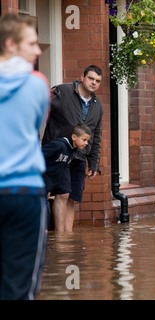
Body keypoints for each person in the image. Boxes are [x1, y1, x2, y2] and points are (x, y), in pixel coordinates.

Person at [0, 13, 50, 300]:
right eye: (31, 43)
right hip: (23, 191)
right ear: (10, 44)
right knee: (20, 286)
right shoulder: (37, 84)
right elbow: (35, 128)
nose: (38, 50)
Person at [42, 65, 103, 232]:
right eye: (91, 78)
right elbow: (40, 109)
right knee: (62, 193)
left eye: (97, 81)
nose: (94, 83)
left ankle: (67, 236)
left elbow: (96, 136)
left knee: (72, 197)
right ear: (82, 76)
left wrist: (94, 163)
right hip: (59, 153)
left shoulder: (97, 105)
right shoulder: (62, 92)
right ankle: (59, 237)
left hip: (80, 156)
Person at [42, 124, 92, 231]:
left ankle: (51, 235)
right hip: (42, 179)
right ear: (74, 137)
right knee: (42, 204)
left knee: (45, 204)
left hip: (50, 182)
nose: (86, 143)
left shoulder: (72, 150)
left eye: (87, 141)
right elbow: (39, 156)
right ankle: (43, 231)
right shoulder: (59, 145)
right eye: (84, 140)